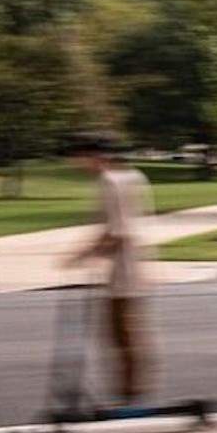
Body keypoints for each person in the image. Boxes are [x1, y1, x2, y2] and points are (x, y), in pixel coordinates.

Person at [64, 132, 156, 405]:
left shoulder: (109, 181)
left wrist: (83, 255)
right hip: (136, 259)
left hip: (123, 265)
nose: (80, 163)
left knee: (121, 332)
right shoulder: (133, 176)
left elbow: (116, 230)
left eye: (82, 157)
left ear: (96, 155)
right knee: (128, 330)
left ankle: (131, 395)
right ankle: (132, 390)